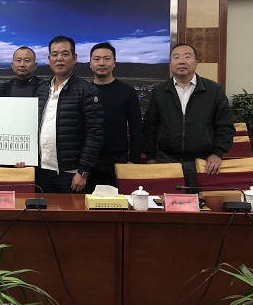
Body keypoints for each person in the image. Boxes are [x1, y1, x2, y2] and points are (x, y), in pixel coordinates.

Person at [142, 43, 235, 187]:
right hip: (165, 160)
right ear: (170, 64)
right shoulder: (160, 91)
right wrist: (151, 157)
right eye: (176, 57)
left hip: (203, 162)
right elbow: (150, 127)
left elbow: (225, 125)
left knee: (201, 200)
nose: (181, 61)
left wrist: (217, 153)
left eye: (187, 57)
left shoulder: (213, 90)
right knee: (165, 199)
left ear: (196, 63)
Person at [36, 36, 104, 193]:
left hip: (72, 173)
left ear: (74, 58)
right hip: (42, 171)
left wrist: (83, 171)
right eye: (54, 54)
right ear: (49, 59)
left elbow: (95, 134)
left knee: (71, 209)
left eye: (65, 54)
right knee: (43, 209)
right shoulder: (42, 89)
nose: (59, 58)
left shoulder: (86, 90)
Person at [88, 42, 142, 190]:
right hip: (87, 161)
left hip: (118, 160)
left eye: (107, 59)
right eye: (97, 59)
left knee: (117, 203)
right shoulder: (84, 91)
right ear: (90, 63)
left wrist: (133, 160)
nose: (101, 63)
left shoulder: (127, 91)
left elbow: (136, 127)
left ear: (114, 62)